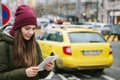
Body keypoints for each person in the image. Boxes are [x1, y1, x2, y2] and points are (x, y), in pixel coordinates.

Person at [0, 5, 54, 80]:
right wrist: (24, 73)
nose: (31, 32)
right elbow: (1, 76)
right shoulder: (3, 45)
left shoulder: (35, 44)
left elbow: (39, 74)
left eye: (33, 28)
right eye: (27, 28)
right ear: (18, 28)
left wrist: (46, 69)